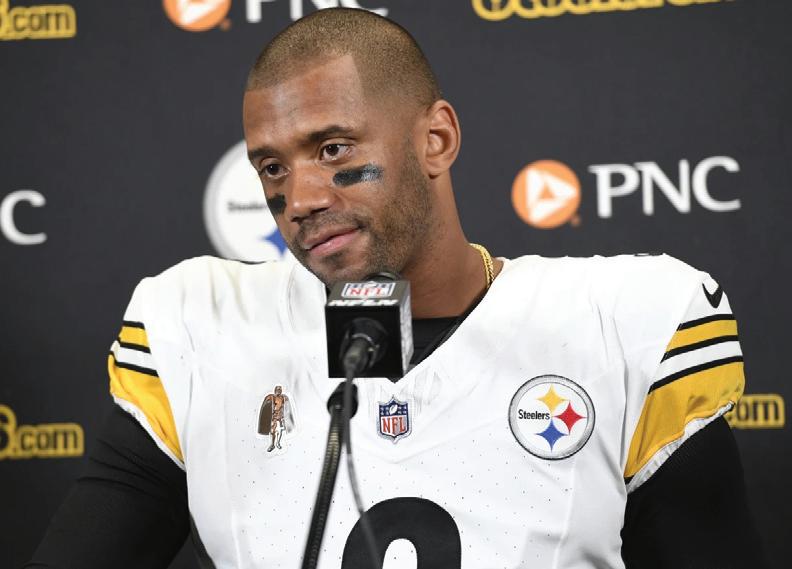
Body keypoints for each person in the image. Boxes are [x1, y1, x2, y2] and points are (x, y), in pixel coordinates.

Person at [28, 8, 767, 569]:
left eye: (333, 149)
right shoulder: (201, 326)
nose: (300, 198)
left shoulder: (620, 323)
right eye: (273, 168)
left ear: (435, 140)